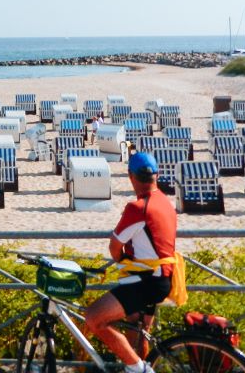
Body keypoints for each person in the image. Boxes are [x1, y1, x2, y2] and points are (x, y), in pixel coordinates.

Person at [84, 152, 177, 373]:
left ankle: (140, 370)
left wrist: (124, 262)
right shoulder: (166, 203)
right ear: (157, 175)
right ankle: (140, 366)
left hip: (146, 281)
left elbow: (114, 247)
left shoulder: (138, 208)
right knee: (137, 332)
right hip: (164, 277)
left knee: (94, 318)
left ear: (131, 176)